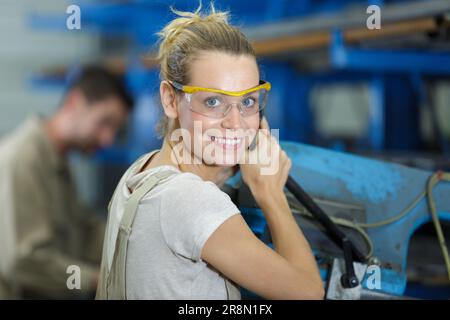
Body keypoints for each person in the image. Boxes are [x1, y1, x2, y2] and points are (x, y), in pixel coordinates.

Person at [96, 4, 324, 300]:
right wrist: (271, 194)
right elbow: (308, 293)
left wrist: (228, 166)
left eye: (249, 102)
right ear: (170, 99)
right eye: (213, 102)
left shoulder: (140, 172)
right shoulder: (194, 202)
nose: (235, 123)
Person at [0, 65, 134, 299]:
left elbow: (83, 232)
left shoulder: (56, 162)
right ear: (74, 102)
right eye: (105, 122)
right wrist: (97, 280)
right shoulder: (22, 160)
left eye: (115, 130)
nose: (108, 139)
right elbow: (22, 261)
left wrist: (134, 245)